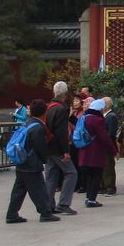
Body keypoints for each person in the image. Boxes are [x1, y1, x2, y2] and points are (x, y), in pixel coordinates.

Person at [6, 99, 61, 224]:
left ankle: (12, 214)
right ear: (44, 112)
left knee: (19, 190)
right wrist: (44, 158)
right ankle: (45, 213)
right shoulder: (38, 127)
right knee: (39, 189)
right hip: (32, 164)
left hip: (22, 161)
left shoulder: (27, 123)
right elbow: (40, 147)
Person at [44, 81, 79, 215]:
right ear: (65, 93)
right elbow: (61, 132)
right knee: (71, 173)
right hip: (58, 148)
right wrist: (66, 151)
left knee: (51, 176)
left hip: (49, 146)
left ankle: (48, 204)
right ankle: (64, 203)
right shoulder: (61, 109)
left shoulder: (49, 107)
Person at [76, 98, 117, 208]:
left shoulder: (84, 118)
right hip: (95, 152)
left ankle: (88, 197)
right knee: (96, 176)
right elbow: (104, 137)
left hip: (84, 150)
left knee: (89, 176)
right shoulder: (97, 120)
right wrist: (114, 150)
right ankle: (92, 199)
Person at [100, 97, 118, 196]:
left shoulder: (111, 116)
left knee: (108, 167)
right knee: (103, 167)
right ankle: (103, 186)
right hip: (102, 146)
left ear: (107, 105)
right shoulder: (103, 116)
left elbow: (111, 133)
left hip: (107, 146)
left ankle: (110, 187)